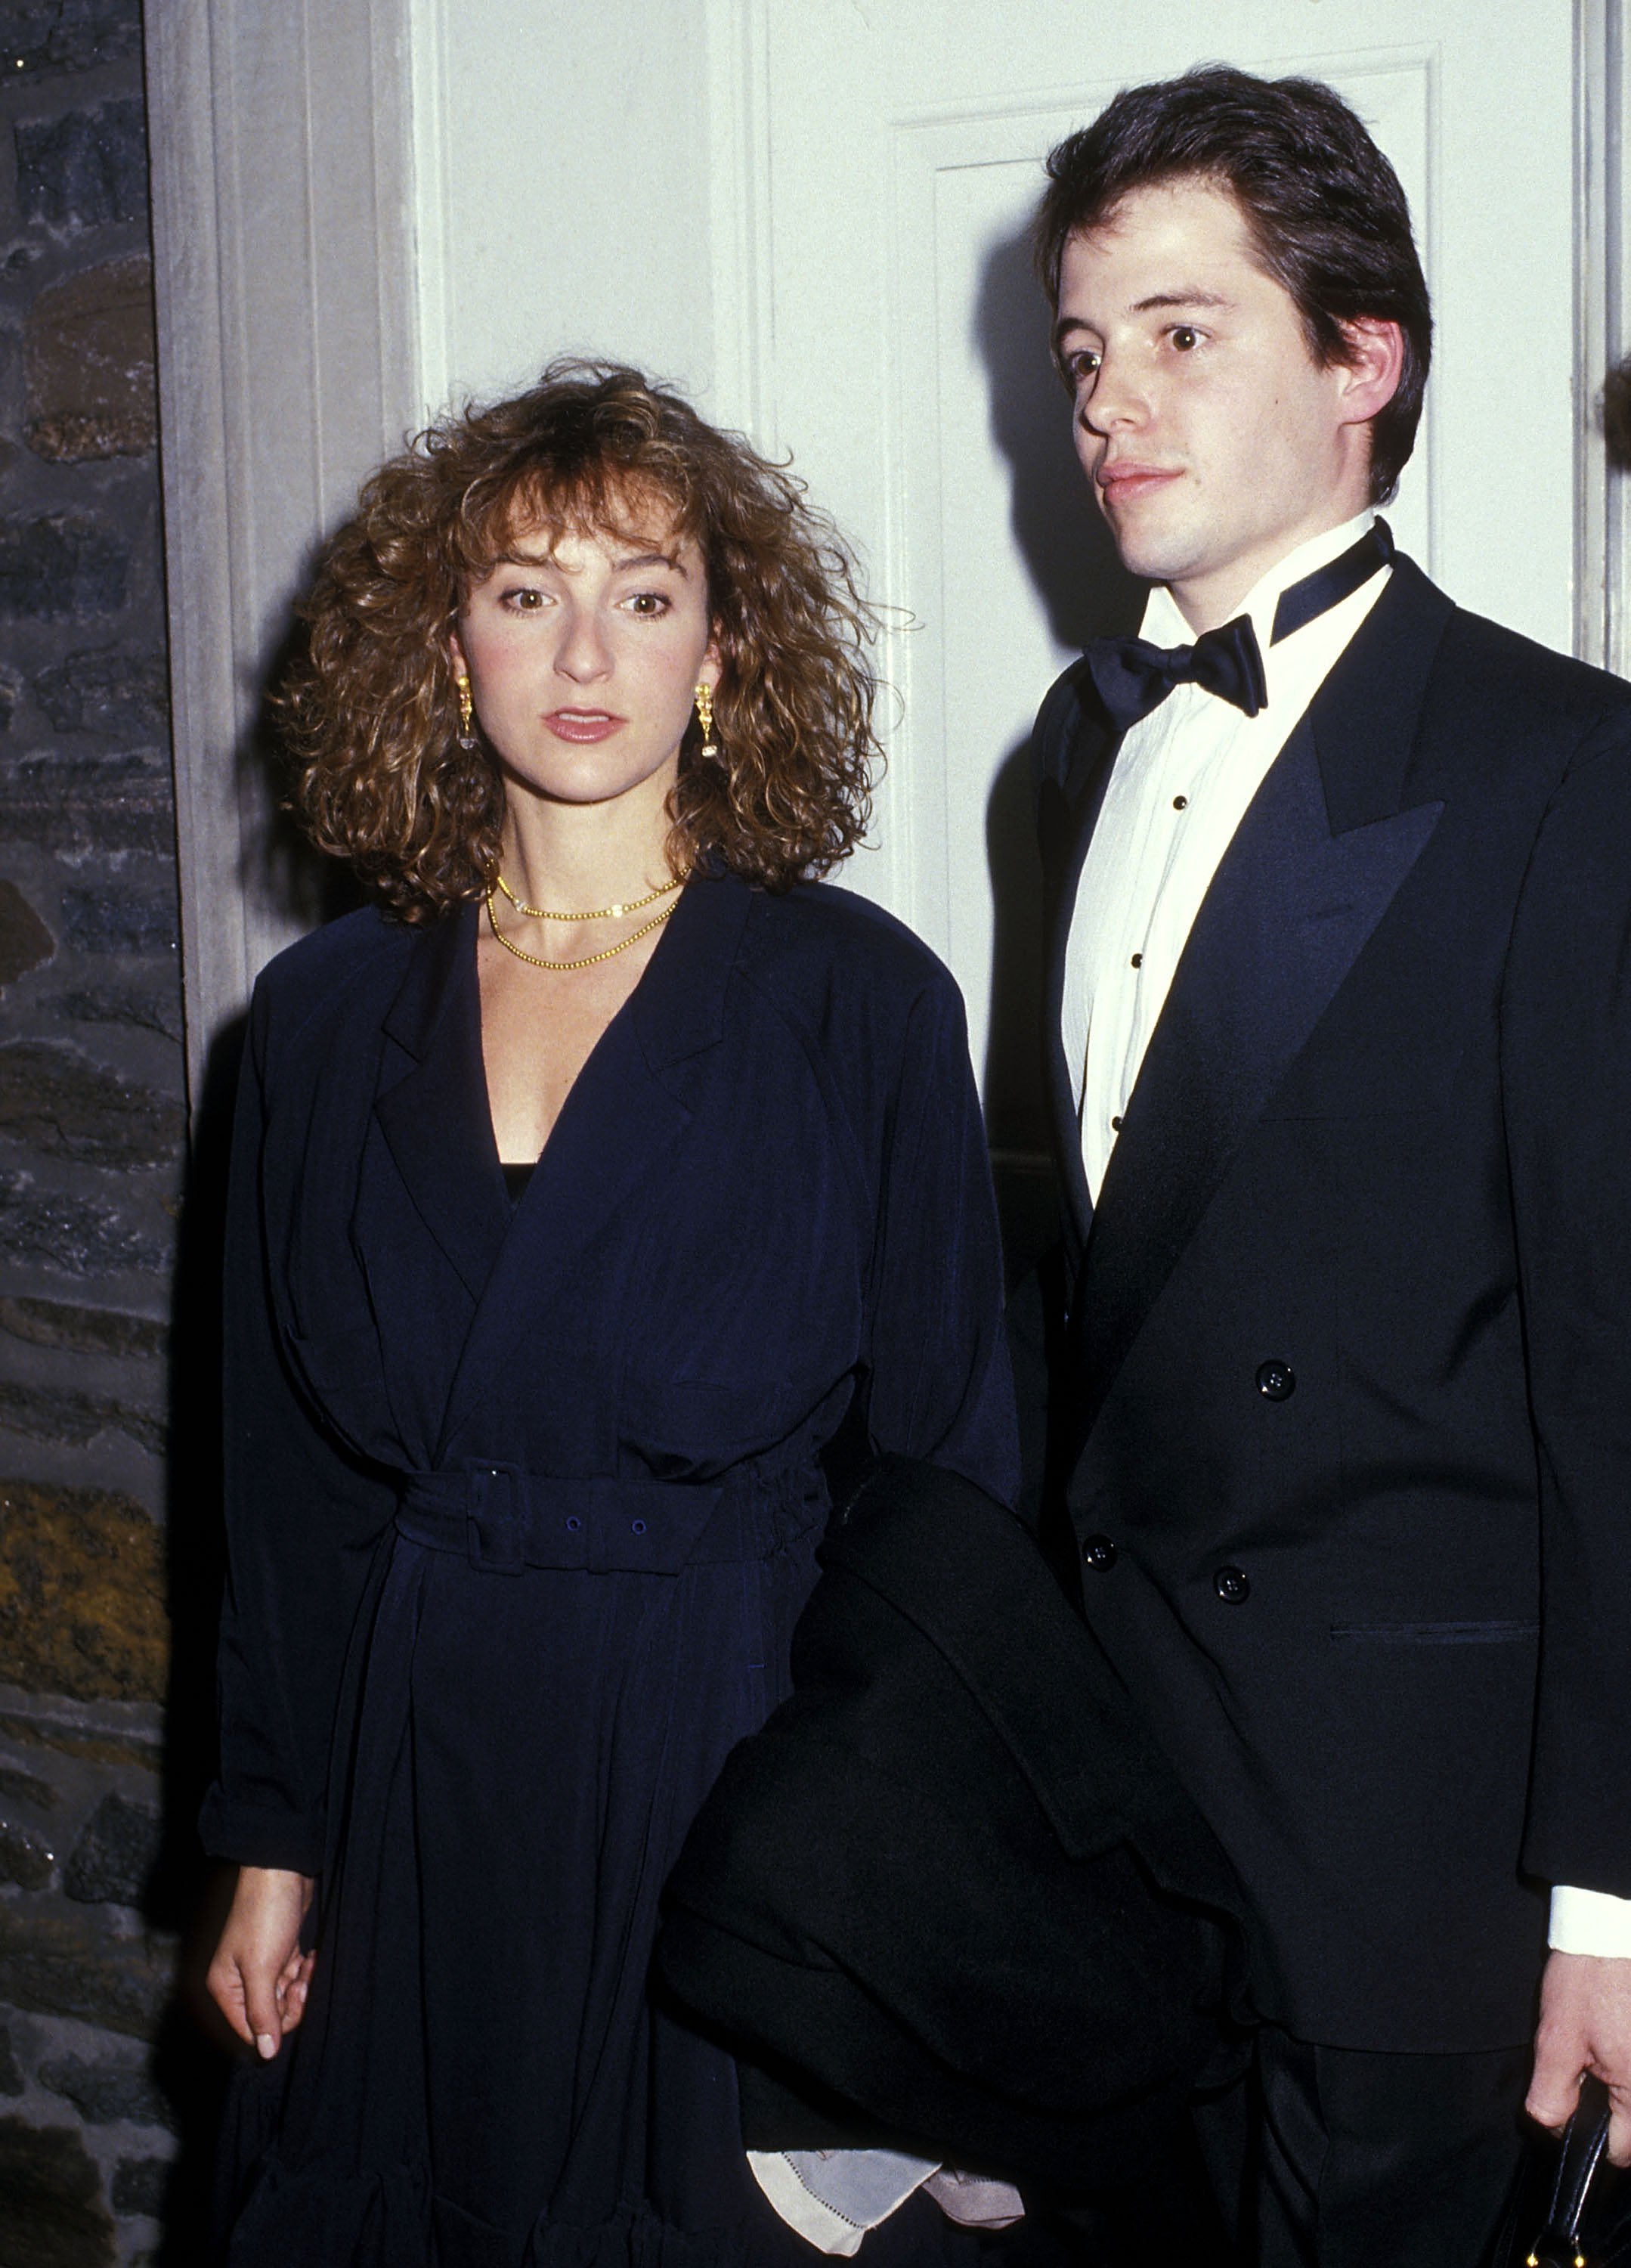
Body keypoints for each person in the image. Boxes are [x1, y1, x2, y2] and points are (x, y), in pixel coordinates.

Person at [200, 361, 1018, 2266]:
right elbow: (288, 1493)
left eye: (644, 594)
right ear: (443, 648)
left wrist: (886, 1897)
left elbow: (946, 1499)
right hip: (418, 1764)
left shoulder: (857, 1005)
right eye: (522, 591)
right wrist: (273, 1834)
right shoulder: (317, 1023)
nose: (585, 649)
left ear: (722, 649)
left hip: (726, 1766)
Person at [1014, 64, 1631, 2265]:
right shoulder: (1064, 764)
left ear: (1359, 361)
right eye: (1084, 353)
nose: (1107, 406)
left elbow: (1611, 1376)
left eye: (1181, 335)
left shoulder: (1564, 770)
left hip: (1412, 1859)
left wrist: (1608, 1902)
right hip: (1122, 1830)